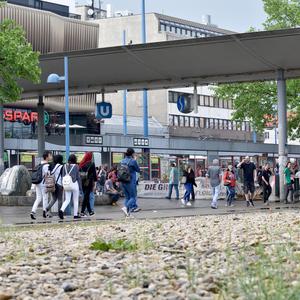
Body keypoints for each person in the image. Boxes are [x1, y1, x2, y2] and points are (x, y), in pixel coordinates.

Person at [30, 150, 52, 220]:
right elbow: (47, 175)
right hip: (43, 183)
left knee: (38, 198)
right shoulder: (47, 165)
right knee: (45, 198)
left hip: (37, 183)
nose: (51, 157)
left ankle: (33, 211)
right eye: (50, 155)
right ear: (47, 157)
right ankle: (44, 213)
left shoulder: (39, 164)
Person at [59, 154, 82, 219]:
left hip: (67, 184)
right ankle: (75, 215)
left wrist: (63, 185)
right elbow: (78, 177)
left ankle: (61, 210)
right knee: (75, 200)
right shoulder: (76, 166)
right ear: (75, 159)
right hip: (74, 184)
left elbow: (63, 176)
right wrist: (80, 188)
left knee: (67, 199)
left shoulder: (64, 166)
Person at [120, 148, 140, 217]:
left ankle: (127, 214)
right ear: (132, 154)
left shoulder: (122, 161)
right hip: (130, 181)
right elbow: (138, 169)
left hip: (123, 181)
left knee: (127, 197)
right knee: (133, 197)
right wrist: (135, 159)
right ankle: (125, 207)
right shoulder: (133, 161)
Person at [79, 152, 97, 216]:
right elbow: (94, 175)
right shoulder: (92, 164)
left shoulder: (81, 164)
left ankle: (90, 212)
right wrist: (95, 183)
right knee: (86, 197)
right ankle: (82, 212)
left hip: (82, 182)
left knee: (86, 196)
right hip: (89, 182)